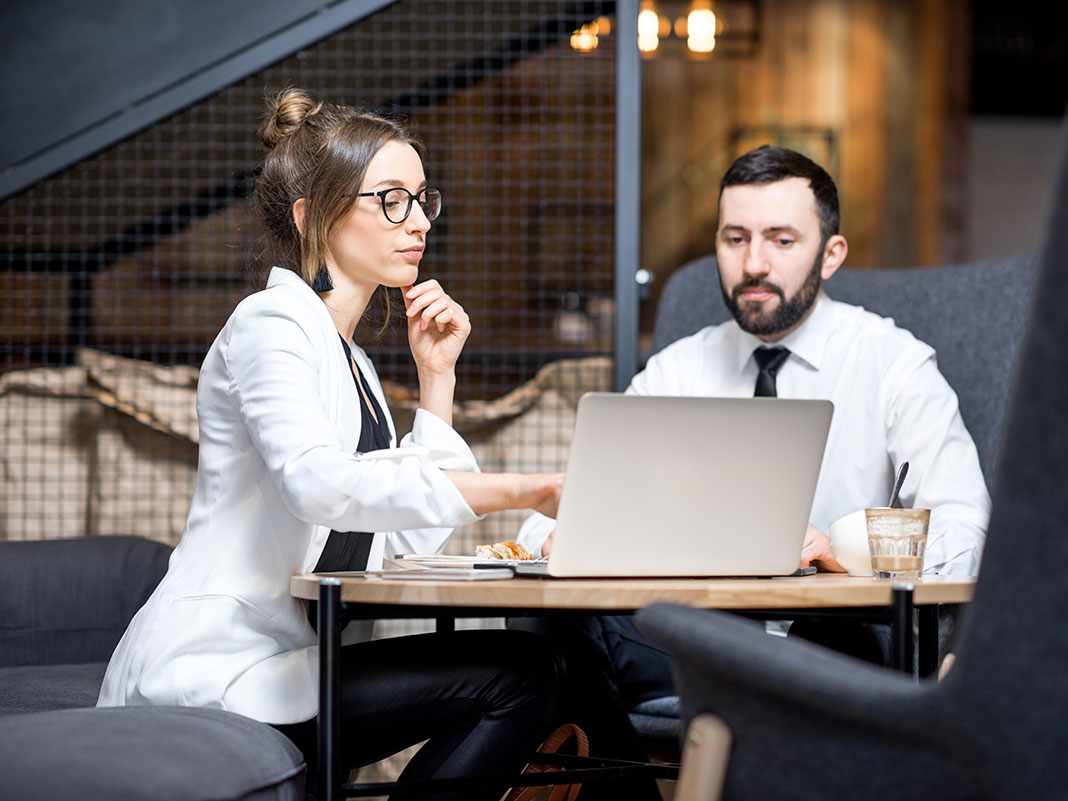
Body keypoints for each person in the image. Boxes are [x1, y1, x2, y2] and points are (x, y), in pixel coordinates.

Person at [97, 88, 568, 801]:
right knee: (514, 674)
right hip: (218, 667)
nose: (417, 223)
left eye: (421, 199)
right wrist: (525, 488)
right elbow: (316, 484)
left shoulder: (358, 365)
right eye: (390, 200)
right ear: (312, 216)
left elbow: (395, 533)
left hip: (295, 661)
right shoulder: (270, 322)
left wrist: (436, 377)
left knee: (526, 667)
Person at [512, 144, 991, 716]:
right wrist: (565, 537)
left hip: (835, 642)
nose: (754, 264)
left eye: (782, 240)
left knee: (836, 642)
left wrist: (847, 550)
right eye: (735, 239)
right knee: (545, 623)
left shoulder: (895, 365)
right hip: (699, 641)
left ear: (831, 254)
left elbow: (972, 533)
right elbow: (548, 516)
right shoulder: (680, 368)